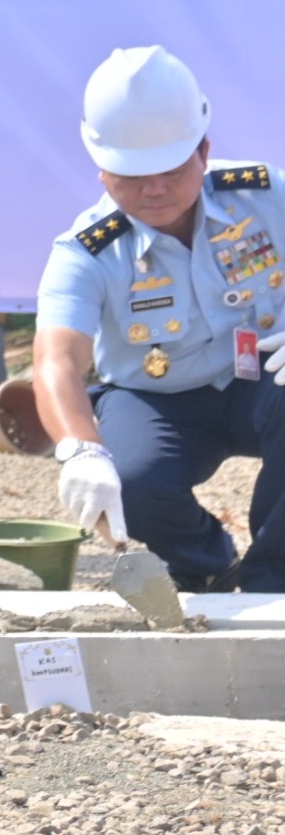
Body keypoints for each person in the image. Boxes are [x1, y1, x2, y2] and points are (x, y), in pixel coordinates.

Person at [35, 45, 285, 594]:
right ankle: (207, 566)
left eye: (170, 170)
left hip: (267, 380)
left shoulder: (266, 194)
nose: (153, 189)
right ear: (101, 170)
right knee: (128, 479)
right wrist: (80, 447)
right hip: (158, 400)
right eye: (131, 175)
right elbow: (57, 359)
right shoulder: (87, 251)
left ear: (204, 152)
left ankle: (275, 583)